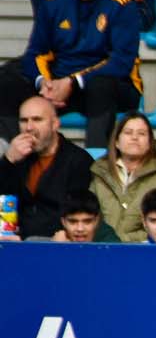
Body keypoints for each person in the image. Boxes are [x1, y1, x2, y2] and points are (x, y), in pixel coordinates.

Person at [0, 0, 143, 150]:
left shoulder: (123, 5)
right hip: (58, 85)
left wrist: (73, 82)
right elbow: (35, 52)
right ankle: (26, 155)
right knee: (6, 83)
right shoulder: (53, 2)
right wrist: (44, 84)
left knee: (101, 87)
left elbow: (120, 62)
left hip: (111, 87)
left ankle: (95, 166)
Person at [0, 97, 95, 240]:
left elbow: (77, 210)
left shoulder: (78, 160)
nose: (29, 127)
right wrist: (8, 161)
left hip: (56, 242)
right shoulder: (16, 157)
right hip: (14, 241)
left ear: (55, 124)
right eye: (24, 120)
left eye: (37, 119)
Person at [89, 112, 156, 243]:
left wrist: (121, 240)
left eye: (141, 133)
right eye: (128, 132)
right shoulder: (99, 172)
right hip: (101, 249)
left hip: (143, 250)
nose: (134, 137)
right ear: (116, 142)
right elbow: (89, 217)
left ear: (149, 143)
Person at [52, 188, 121, 243]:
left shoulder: (111, 243)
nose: (80, 229)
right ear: (63, 222)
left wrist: (63, 250)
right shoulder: (58, 238)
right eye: (73, 222)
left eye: (87, 221)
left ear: (97, 221)